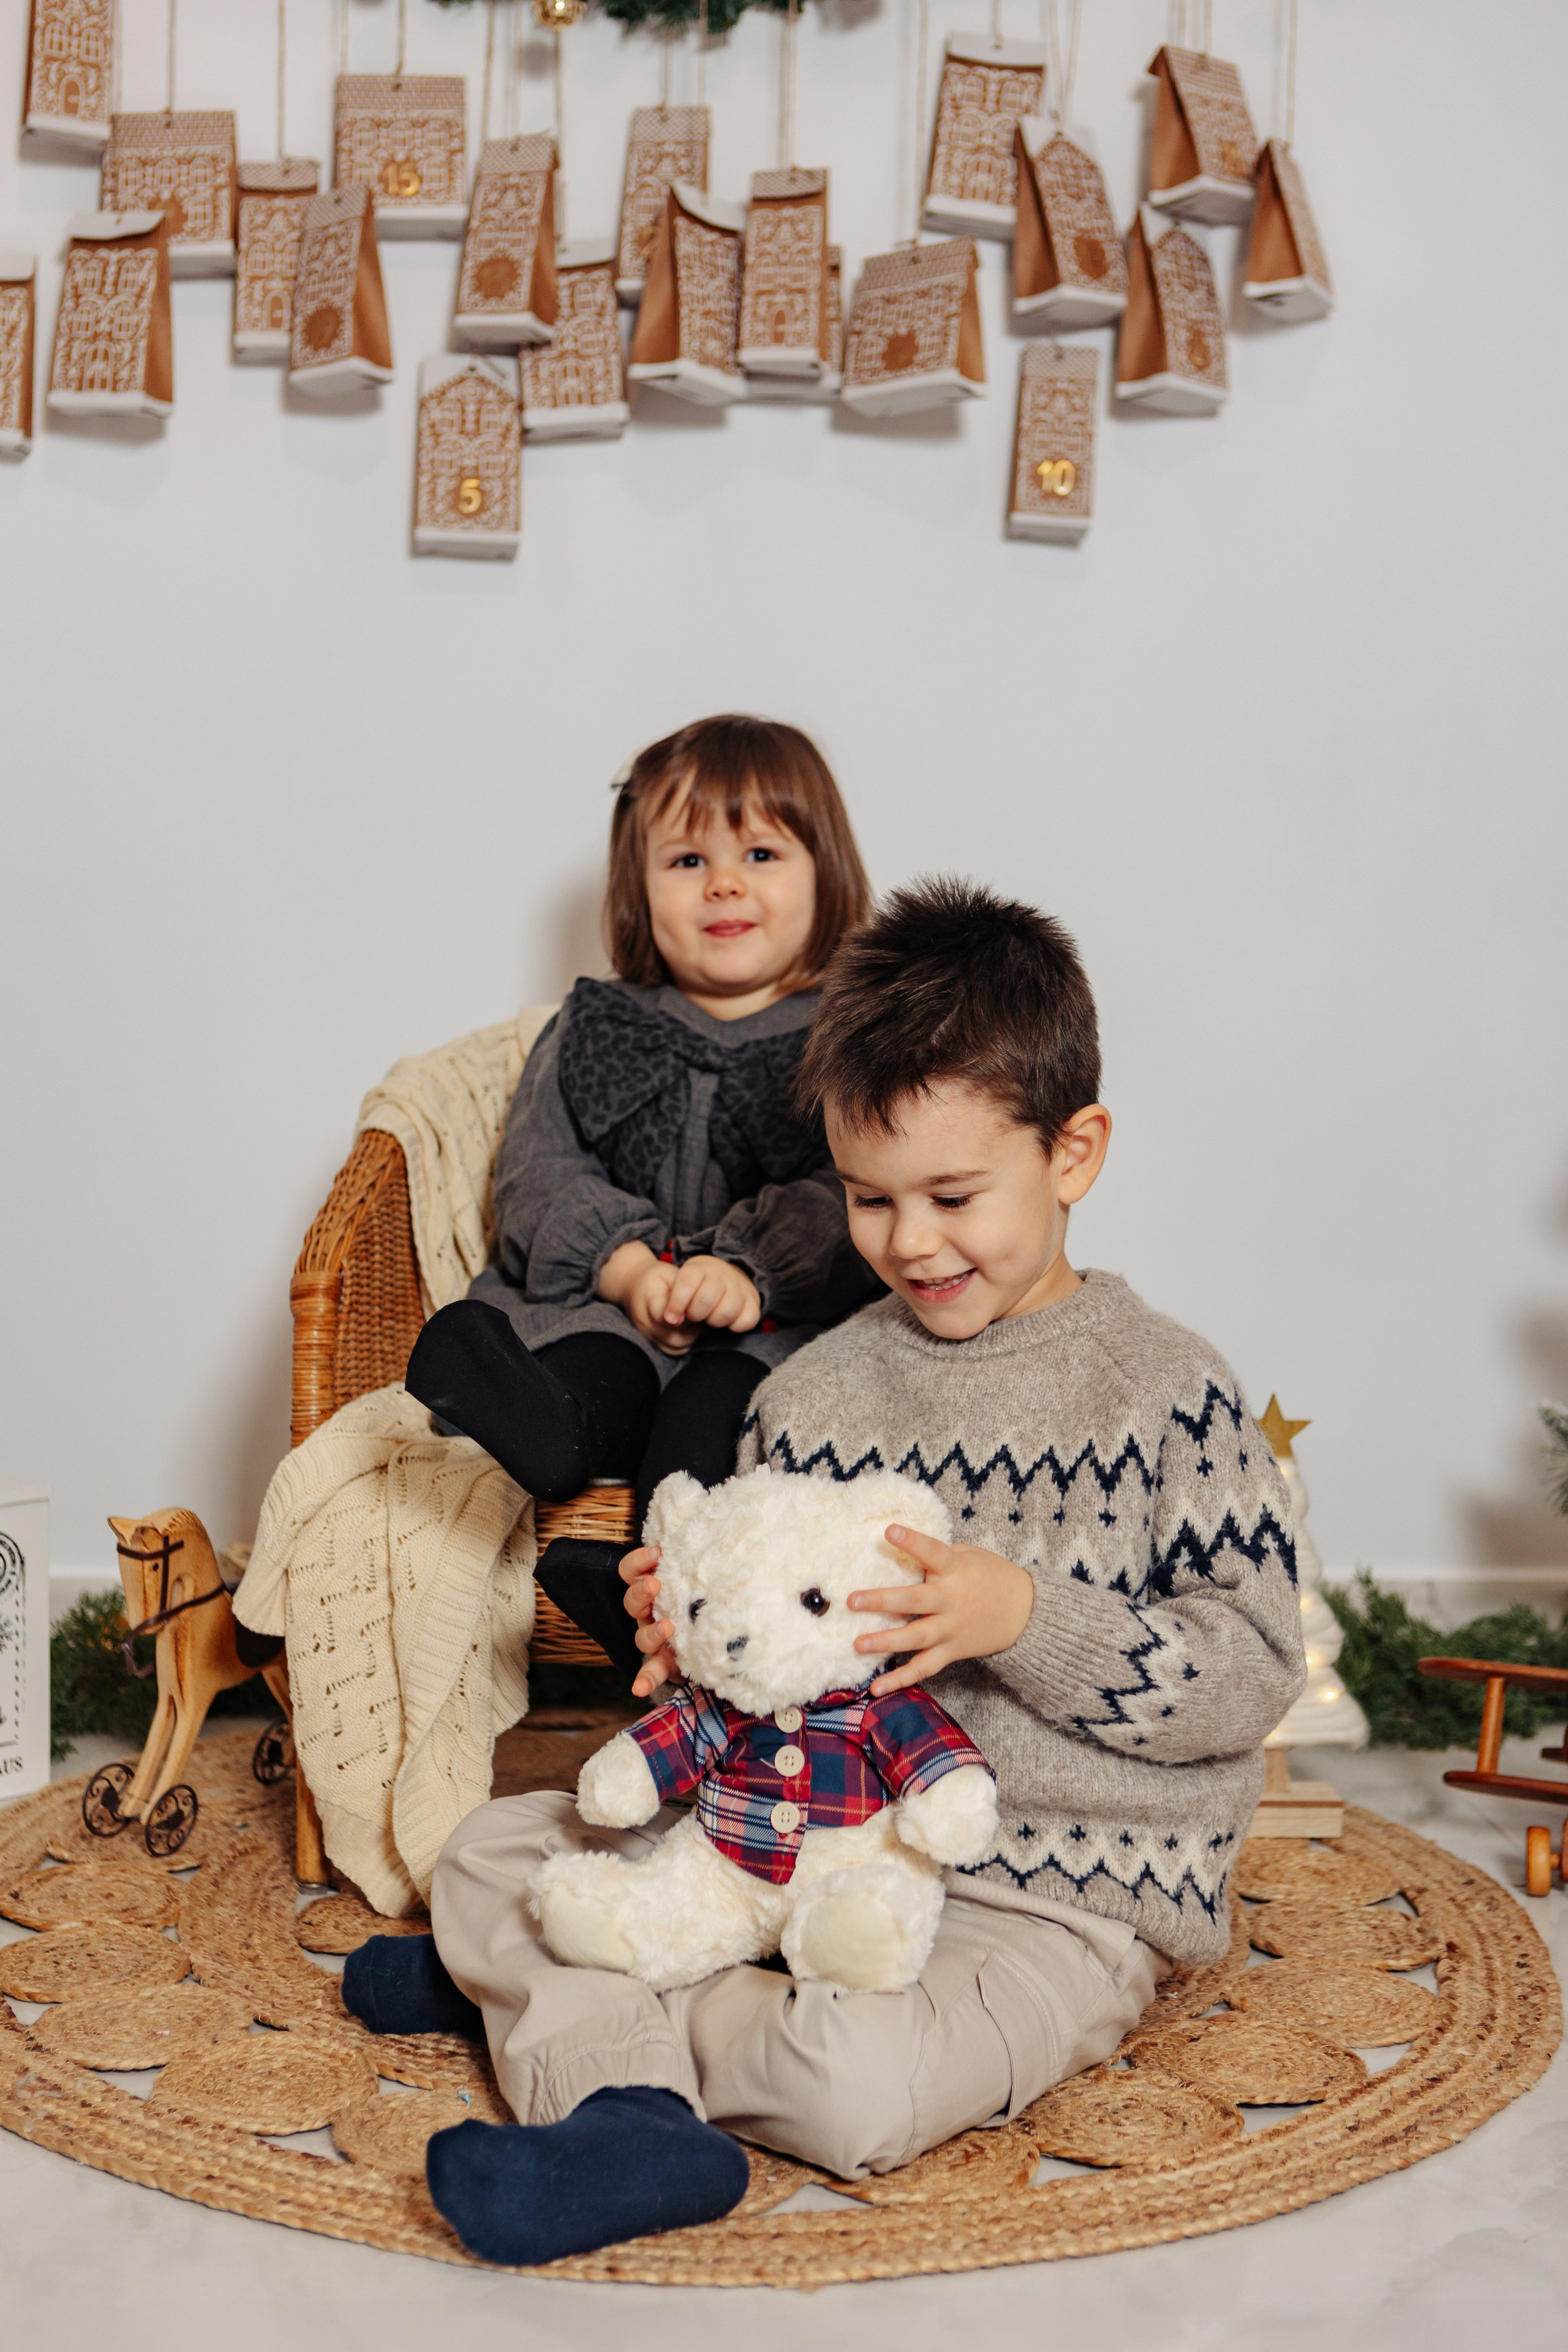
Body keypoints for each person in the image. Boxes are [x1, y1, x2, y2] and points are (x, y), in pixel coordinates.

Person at [348, 877, 1308, 2268]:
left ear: (1074, 1151)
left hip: (1051, 1899)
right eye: (868, 1199)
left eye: (952, 1195)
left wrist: (1020, 1616)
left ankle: (558, 2004)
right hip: (779, 1850)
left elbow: (1249, 1676)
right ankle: (627, 2112)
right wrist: (686, 1636)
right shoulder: (814, 1390)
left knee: (858, 2086)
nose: (909, 1243)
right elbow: (765, 1643)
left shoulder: (1166, 1396)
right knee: (492, 1845)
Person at [404, 715, 882, 1668]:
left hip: (764, 1330)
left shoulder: (852, 1037)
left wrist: (747, 1274)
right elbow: (537, 1171)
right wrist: (627, 1270)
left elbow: (856, 1184)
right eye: (687, 860)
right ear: (638, 888)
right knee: (599, 1372)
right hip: (611, 1305)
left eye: (759, 852)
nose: (725, 884)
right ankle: (544, 1429)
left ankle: (658, 1605)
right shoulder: (592, 1026)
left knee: (711, 1418)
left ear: (826, 872)